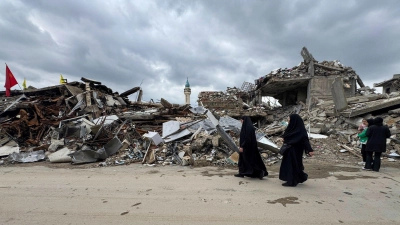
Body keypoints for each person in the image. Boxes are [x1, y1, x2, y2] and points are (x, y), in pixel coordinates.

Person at [279, 114, 313, 187]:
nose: (288, 119)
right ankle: (298, 177)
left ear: (294, 120)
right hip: (288, 150)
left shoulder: (300, 130)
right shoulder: (291, 127)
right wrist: (284, 139)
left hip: (296, 151)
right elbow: (286, 136)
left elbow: (305, 140)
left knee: (292, 165)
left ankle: (292, 182)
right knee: (291, 165)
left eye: (289, 118)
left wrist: (309, 150)